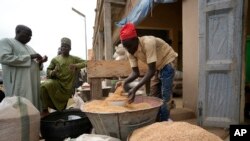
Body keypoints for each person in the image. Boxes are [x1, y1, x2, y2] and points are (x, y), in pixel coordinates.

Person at [119, 23, 178, 121]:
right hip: (158, 66)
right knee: (153, 95)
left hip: (168, 61)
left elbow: (151, 70)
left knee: (165, 96)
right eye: (126, 47)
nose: (128, 50)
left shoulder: (148, 43)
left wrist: (134, 89)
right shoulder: (130, 51)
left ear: (135, 39)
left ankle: (164, 122)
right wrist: (124, 82)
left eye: (129, 46)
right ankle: (156, 118)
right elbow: (135, 73)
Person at [0, 25, 47, 109]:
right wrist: (30, 57)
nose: (29, 37)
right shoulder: (7, 41)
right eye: (27, 34)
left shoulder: (29, 48)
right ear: (17, 32)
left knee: (32, 106)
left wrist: (40, 62)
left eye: (31, 36)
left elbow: (35, 64)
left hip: (32, 83)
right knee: (20, 107)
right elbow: (4, 58)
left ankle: (34, 120)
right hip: (19, 82)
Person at [40, 37, 86, 117]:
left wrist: (76, 65)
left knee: (66, 105)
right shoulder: (55, 59)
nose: (63, 48)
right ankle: (45, 110)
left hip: (68, 85)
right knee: (43, 86)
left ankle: (63, 112)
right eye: (62, 46)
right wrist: (53, 72)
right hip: (57, 82)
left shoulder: (73, 58)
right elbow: (48, 71)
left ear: (70, 48)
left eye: (66, 46)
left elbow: (86, 62)